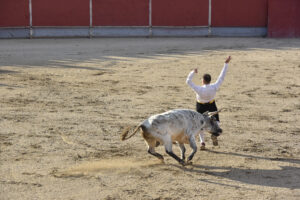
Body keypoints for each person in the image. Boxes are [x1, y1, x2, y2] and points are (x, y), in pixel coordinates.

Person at [186, 56, 231, 150]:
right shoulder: (214, 86)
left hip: (200, 107)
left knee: (200, 125)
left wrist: (193, 72)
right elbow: (221, 77)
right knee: (216, 122)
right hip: (211, 105)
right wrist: (226, 64)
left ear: (203, 81)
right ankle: (215, 133)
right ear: (210, 81)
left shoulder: (199, 89)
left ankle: (202, 142)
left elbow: (188, 81)